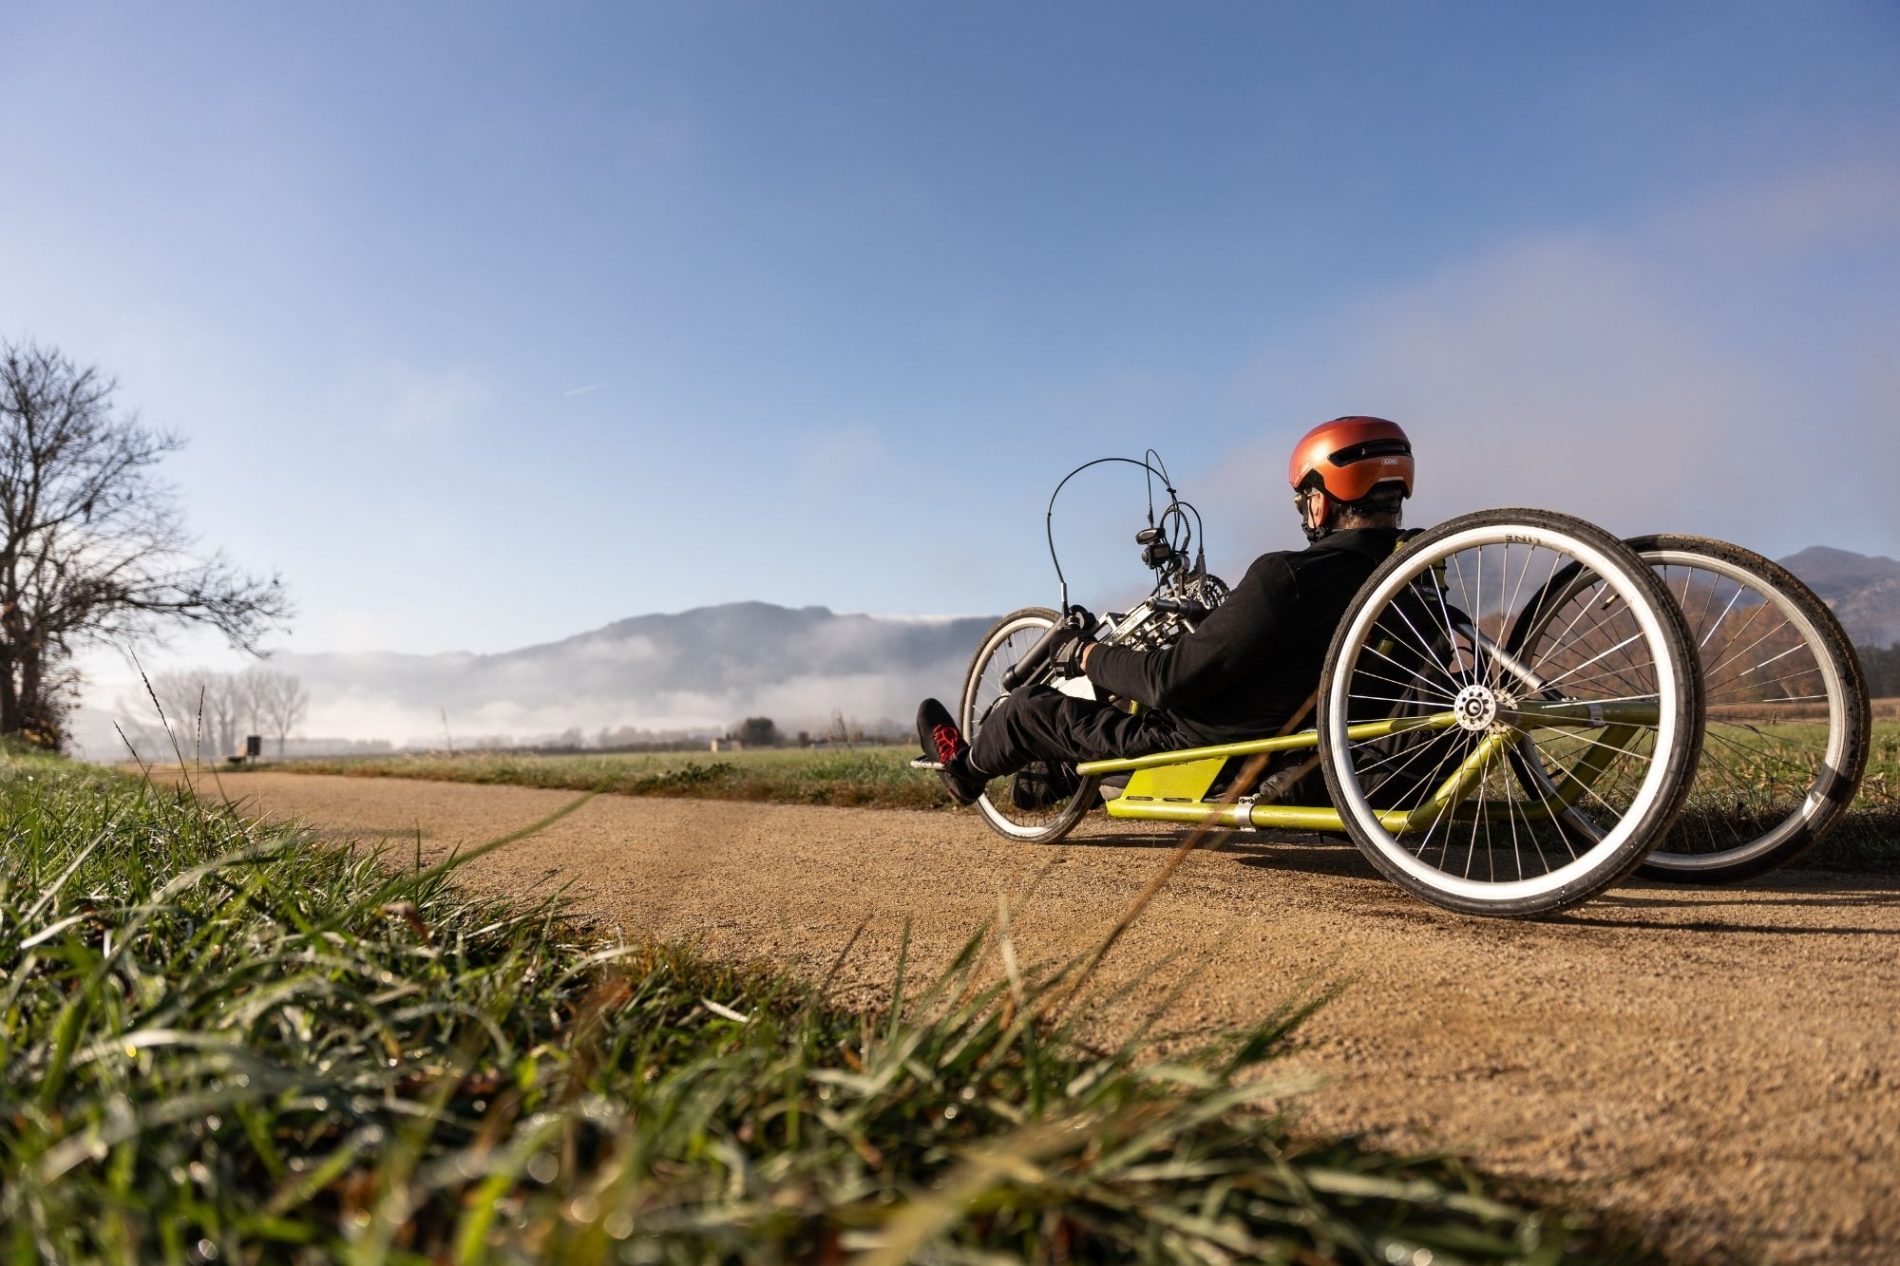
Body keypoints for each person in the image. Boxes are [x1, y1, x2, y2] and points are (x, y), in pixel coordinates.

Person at [916, 416, 1415, 807]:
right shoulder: (1412, 574)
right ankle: (1045, 782)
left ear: (1323, 500)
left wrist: (1086, 653)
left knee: (1027, 710)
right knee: (1093, 729)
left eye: (1305, 496)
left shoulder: (1285, 577)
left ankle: (963, 770)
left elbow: (1166, 681)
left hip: (1206, 747)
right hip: (1305, 745)